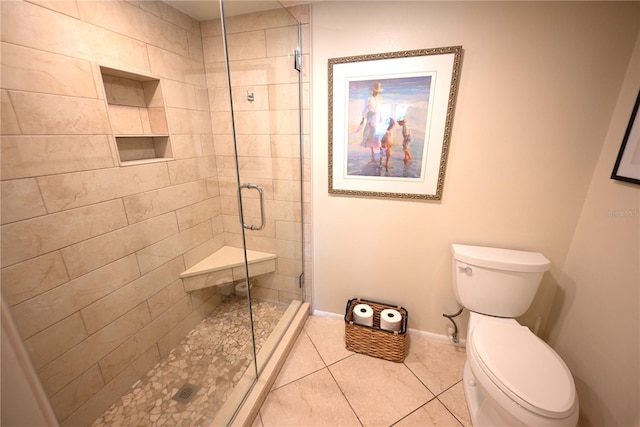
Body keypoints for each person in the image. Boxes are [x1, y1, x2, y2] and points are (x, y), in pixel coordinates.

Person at [360, 82, 384, 163]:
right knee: (370, 135)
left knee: (377, 136)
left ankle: (380, 157)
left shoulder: (380, 98)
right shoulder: (369, 99)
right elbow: (365, 109)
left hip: (377, 117)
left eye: (378, 91)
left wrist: (381, 117)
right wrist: (363, 119)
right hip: (370, 117)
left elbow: (381, 109)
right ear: (372, 90)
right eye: (375, 91)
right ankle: (373, 157)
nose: (377, 92)